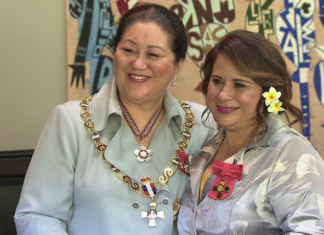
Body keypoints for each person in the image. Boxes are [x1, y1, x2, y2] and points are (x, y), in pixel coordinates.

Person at [14, 4, 216, 235]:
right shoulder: (71, 121)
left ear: (177, 65)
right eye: (128, 50)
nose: (138, 63)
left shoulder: (202, 123)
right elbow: (39, 215)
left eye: (153, 54)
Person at [177, 30, 324, 234]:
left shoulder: (290, 153)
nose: (223, 94)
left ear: (268, 92)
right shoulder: (205, 148)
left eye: (239, 85)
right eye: (217, 80)